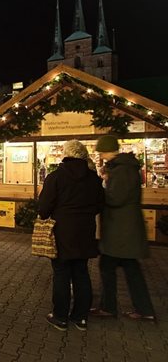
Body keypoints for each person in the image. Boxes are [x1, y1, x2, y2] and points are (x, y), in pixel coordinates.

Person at [38, 140, 105, 331]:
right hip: (85, 231)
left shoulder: (56, 177)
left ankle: (60, 316)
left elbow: (43, 208)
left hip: (62, 231)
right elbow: (100, 204)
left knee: (61, 273)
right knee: (81, 273)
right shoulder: (93, 179)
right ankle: (80, 317)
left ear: (66, 154)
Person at [90, 135, 157, 322]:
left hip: (121, 230)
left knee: (110, 266)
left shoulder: (122, 170)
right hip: (123, 229)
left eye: (101, 151)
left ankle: (110, 307)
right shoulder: (125, 168)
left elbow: (115, 198)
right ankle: (143, 309)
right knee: (130, 269)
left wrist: (101, 190)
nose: (100, 155)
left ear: (108, 150)